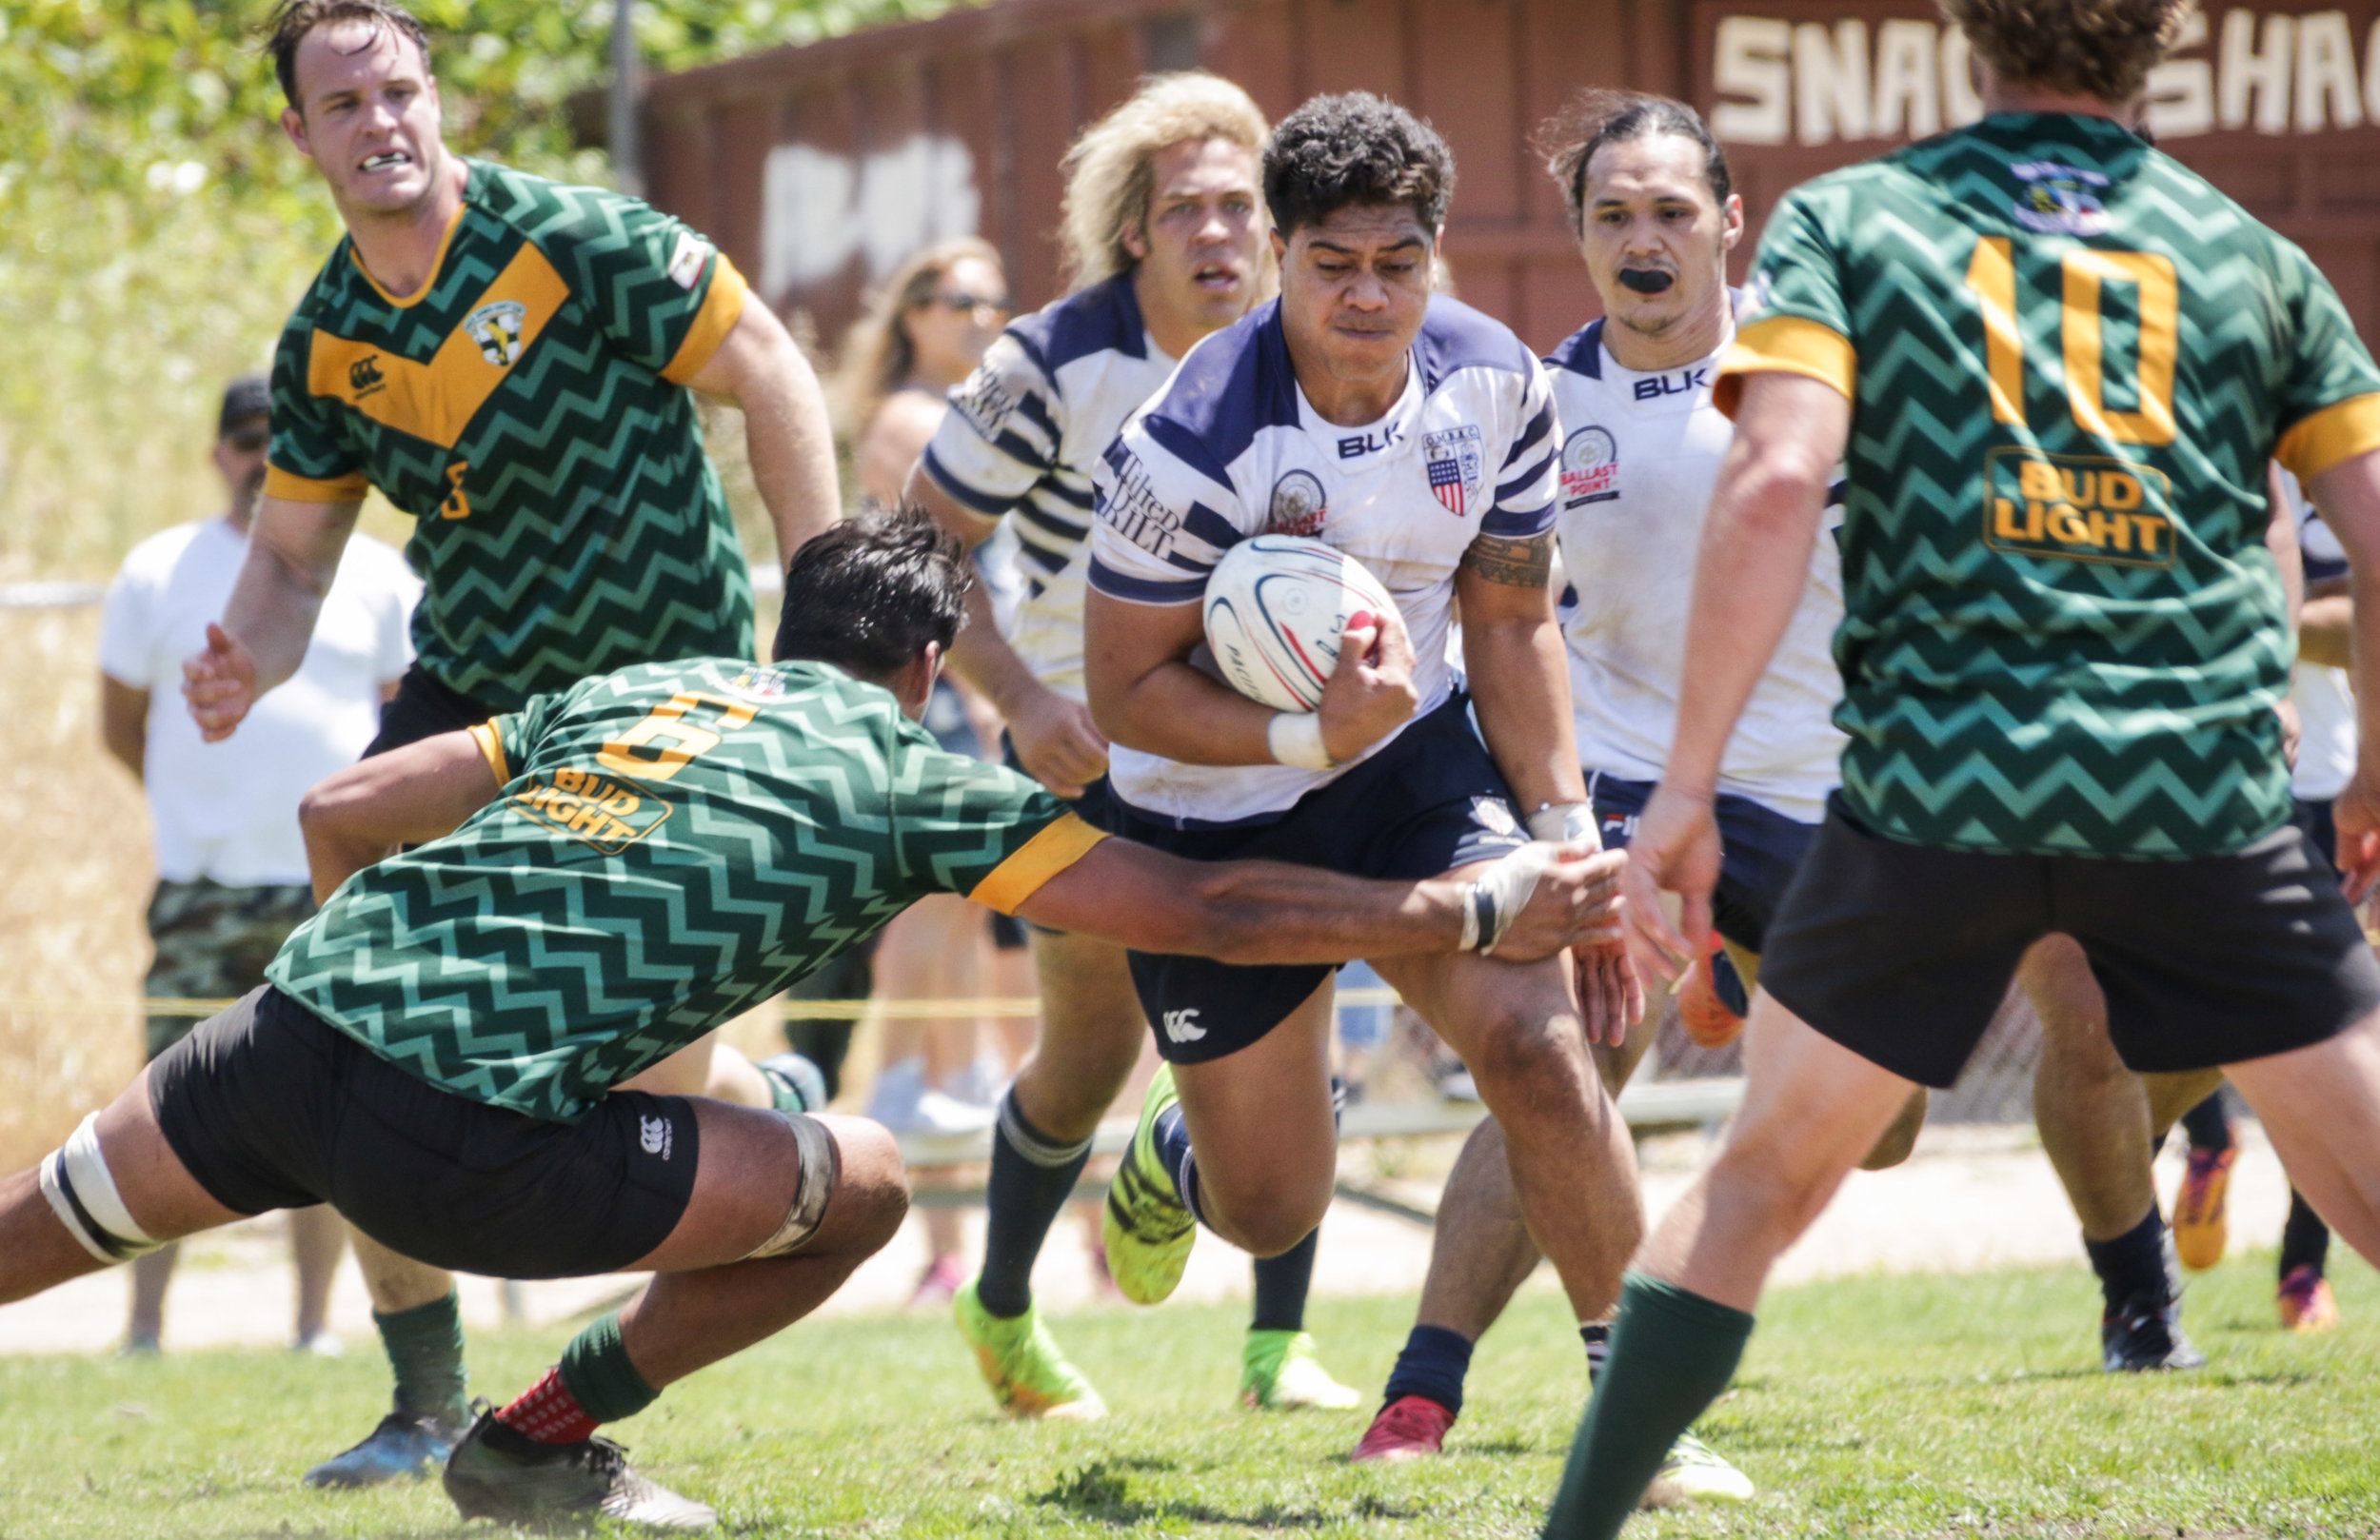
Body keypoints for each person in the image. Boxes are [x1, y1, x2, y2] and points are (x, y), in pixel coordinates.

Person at [0, 510, 1626, 1532]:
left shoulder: (642, 687)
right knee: (855, 1180)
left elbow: (344, 799)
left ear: (789, 631)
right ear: (927, 667)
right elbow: (1201, 914)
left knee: (46, 1224)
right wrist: (1457, 908)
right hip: (465, 1136)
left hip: (297, 1027)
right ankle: (532, 1447)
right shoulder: (915, 775)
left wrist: (379, 979)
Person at [1542, 0, 2380, 1528]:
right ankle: (2150, 1286)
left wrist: (1686, 788)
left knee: (1752, 1192)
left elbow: (1779, 474)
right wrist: (2373, 765)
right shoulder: (2255, 255)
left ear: (1967, 33)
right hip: (2187, 785)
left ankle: (1580, 1525)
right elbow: (2370, 537)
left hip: (1937, 786)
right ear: (2162, 45)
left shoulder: (1861, 220)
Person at [179, 0, 843, 1486]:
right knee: (342, 1024)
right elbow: (291, 566)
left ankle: (724, 1176)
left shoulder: (579, 242)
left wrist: (825, 614)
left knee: (637, 1095)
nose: (380, 124)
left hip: (659, 707)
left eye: (399, 91)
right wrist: (240, 652)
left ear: (437, 99)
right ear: (300, 135)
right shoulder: (329, 341)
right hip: (477, 707)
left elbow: (776, 372)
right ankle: (423, 1404)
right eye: (342, 106)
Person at [1349, 92, 1926, 1495]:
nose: (1644, 239)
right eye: (1613, 215)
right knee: (1556, 1065)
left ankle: (1736, 964)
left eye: (1673, 210)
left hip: (1811, 789)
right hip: (1612, 786)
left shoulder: (1822, 377)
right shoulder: (1537, 406)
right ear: (1581, 237)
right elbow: (1497, 617)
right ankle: (1423, 1387)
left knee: (1893, 1123)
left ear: (1731, 223)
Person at [1082, 92, 1656, 1433]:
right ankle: (1176, 1147)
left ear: (1435, 252)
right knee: (1275, 1201)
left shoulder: (1497, 380)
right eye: (1332, 265)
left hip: (1404, 764)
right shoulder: (1195, 436)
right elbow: (1123, 692)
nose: (1366, 296)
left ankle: (1637, 1404)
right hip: (1214, 815)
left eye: (1397, 263)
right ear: (1282, 256)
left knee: (1536, 1040)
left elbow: (1511, 618)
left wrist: (1566, 832)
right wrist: (1300, 732)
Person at [905, 74, 1364, 1416]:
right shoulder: (1048, 363)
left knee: (1300, 1016)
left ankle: (1281, 1347)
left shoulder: (1317, 343)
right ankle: (998, 1308)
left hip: (1260, 737)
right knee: (1091, 1053)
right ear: (1134, 234)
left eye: (1241, 207)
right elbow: (919, 545)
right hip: (1080, 755)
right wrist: (1022, 703)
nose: (1220, 233)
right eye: (1187, 212)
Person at [96, 373, 418, 1356]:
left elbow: (411, 730)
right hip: (201, 888)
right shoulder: (157, 570)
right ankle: (144, 1326)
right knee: (162, 1104)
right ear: (216, 454)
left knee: (331, 1108)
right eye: (244, 439)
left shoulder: (379, 575)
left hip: (335, 887)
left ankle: (316, 1326)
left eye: (282, 439)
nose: (261, 458)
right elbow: (122, 724)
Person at [837, 237, 1020, 1304]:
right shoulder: (911, 420)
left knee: (1001, 981)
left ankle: (1038, 1234)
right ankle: (937, 1238)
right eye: (959, 301)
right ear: (912, 311)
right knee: (929, 970)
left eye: (997, 302)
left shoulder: (981, 417)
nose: (982, 319)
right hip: (940, 694)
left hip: (992, 695)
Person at [2170, 473, 2351, 1333]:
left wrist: (2254, 619)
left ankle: (2303, 1270)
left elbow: (2358, 622)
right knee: (2172, 997)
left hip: (2318, 784)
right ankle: (2208, 1138)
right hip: (2189, 775)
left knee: (2321, 1031)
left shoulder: (2351, 456)